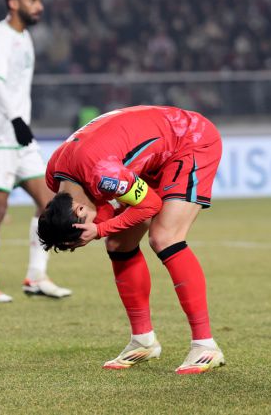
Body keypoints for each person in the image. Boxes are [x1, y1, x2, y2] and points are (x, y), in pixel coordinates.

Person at [37, 105, 225, 375]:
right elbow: (102, 209)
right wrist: (101, 229)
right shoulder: (56, 177)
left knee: (164, 238)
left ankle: (205, 345)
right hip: (151, 155)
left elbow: (149, 205)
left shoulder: (103, 175)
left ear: (78, 211)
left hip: (189, 139)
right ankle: (143, 341)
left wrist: (99, 230)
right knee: (118, 244)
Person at [0, 0, 71, 303]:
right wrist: (15, 119)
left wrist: (20, 124)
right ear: (13, 3)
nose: (39, 6)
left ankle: (36, 276)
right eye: (33, 0)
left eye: (40, 0)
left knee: (49, 202)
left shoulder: (25, 38)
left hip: (20, 137)